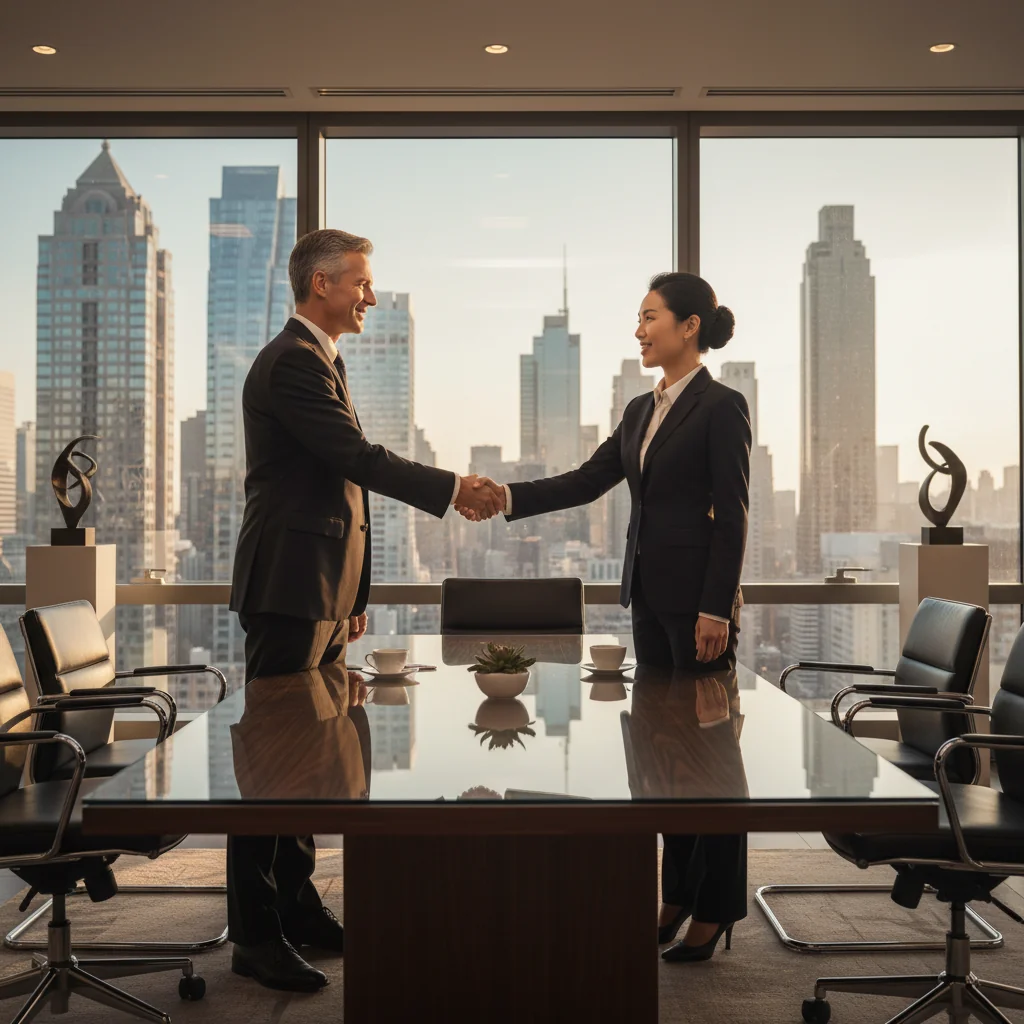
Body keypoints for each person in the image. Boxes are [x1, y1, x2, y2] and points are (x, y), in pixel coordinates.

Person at [228, 228, 502, 992]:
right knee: (271, 768)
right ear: (321, 283)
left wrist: (351, 597)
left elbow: (341, 491)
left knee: (305, 761)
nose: (370, 297)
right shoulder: (291, 361)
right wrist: (453, 487)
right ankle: (255, 934)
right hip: (287, 589)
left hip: (316, 589)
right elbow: (356, 460)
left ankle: (296, 905)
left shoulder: (322, 360)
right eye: (360, 282)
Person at [458, 271, 750, 963]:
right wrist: (506, 496)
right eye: (639, 318)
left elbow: (735, 514)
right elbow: (589, 480)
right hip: (648, 599)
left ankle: (715, 908)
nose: (639, 330)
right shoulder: (640, 410)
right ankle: (676, 893)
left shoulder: (722, 405)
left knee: (711, 759)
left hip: (699, 608)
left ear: (689, 327)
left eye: (650, 317)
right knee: (662, 753)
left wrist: (716, 606)